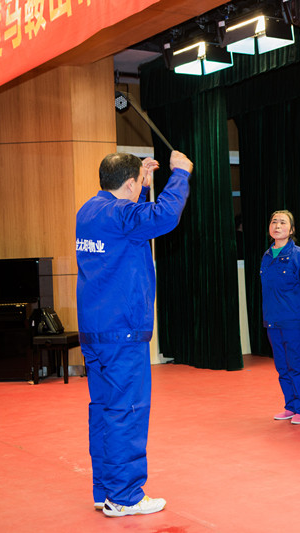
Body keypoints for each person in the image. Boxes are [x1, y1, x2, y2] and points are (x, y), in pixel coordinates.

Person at [77, 150, 193, 516]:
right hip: (122, 332)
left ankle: (105, 489)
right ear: (128, 184)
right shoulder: (119, 215)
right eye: (137, 183)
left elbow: (129, 223)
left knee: (103, 411)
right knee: (127, 412)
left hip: (95, 330)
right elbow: (163, 216)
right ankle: (125, 496)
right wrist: (180, 175)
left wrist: (140, 186)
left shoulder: (88, 211)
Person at [261, 210, 300, 426]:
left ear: (291, 230)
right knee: (282, 367)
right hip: (273, 322)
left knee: (297, 366)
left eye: (283, 222)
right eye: (274, 221)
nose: (277, 226)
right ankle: (291, 405)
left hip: (295, 322)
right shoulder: (266, 256)